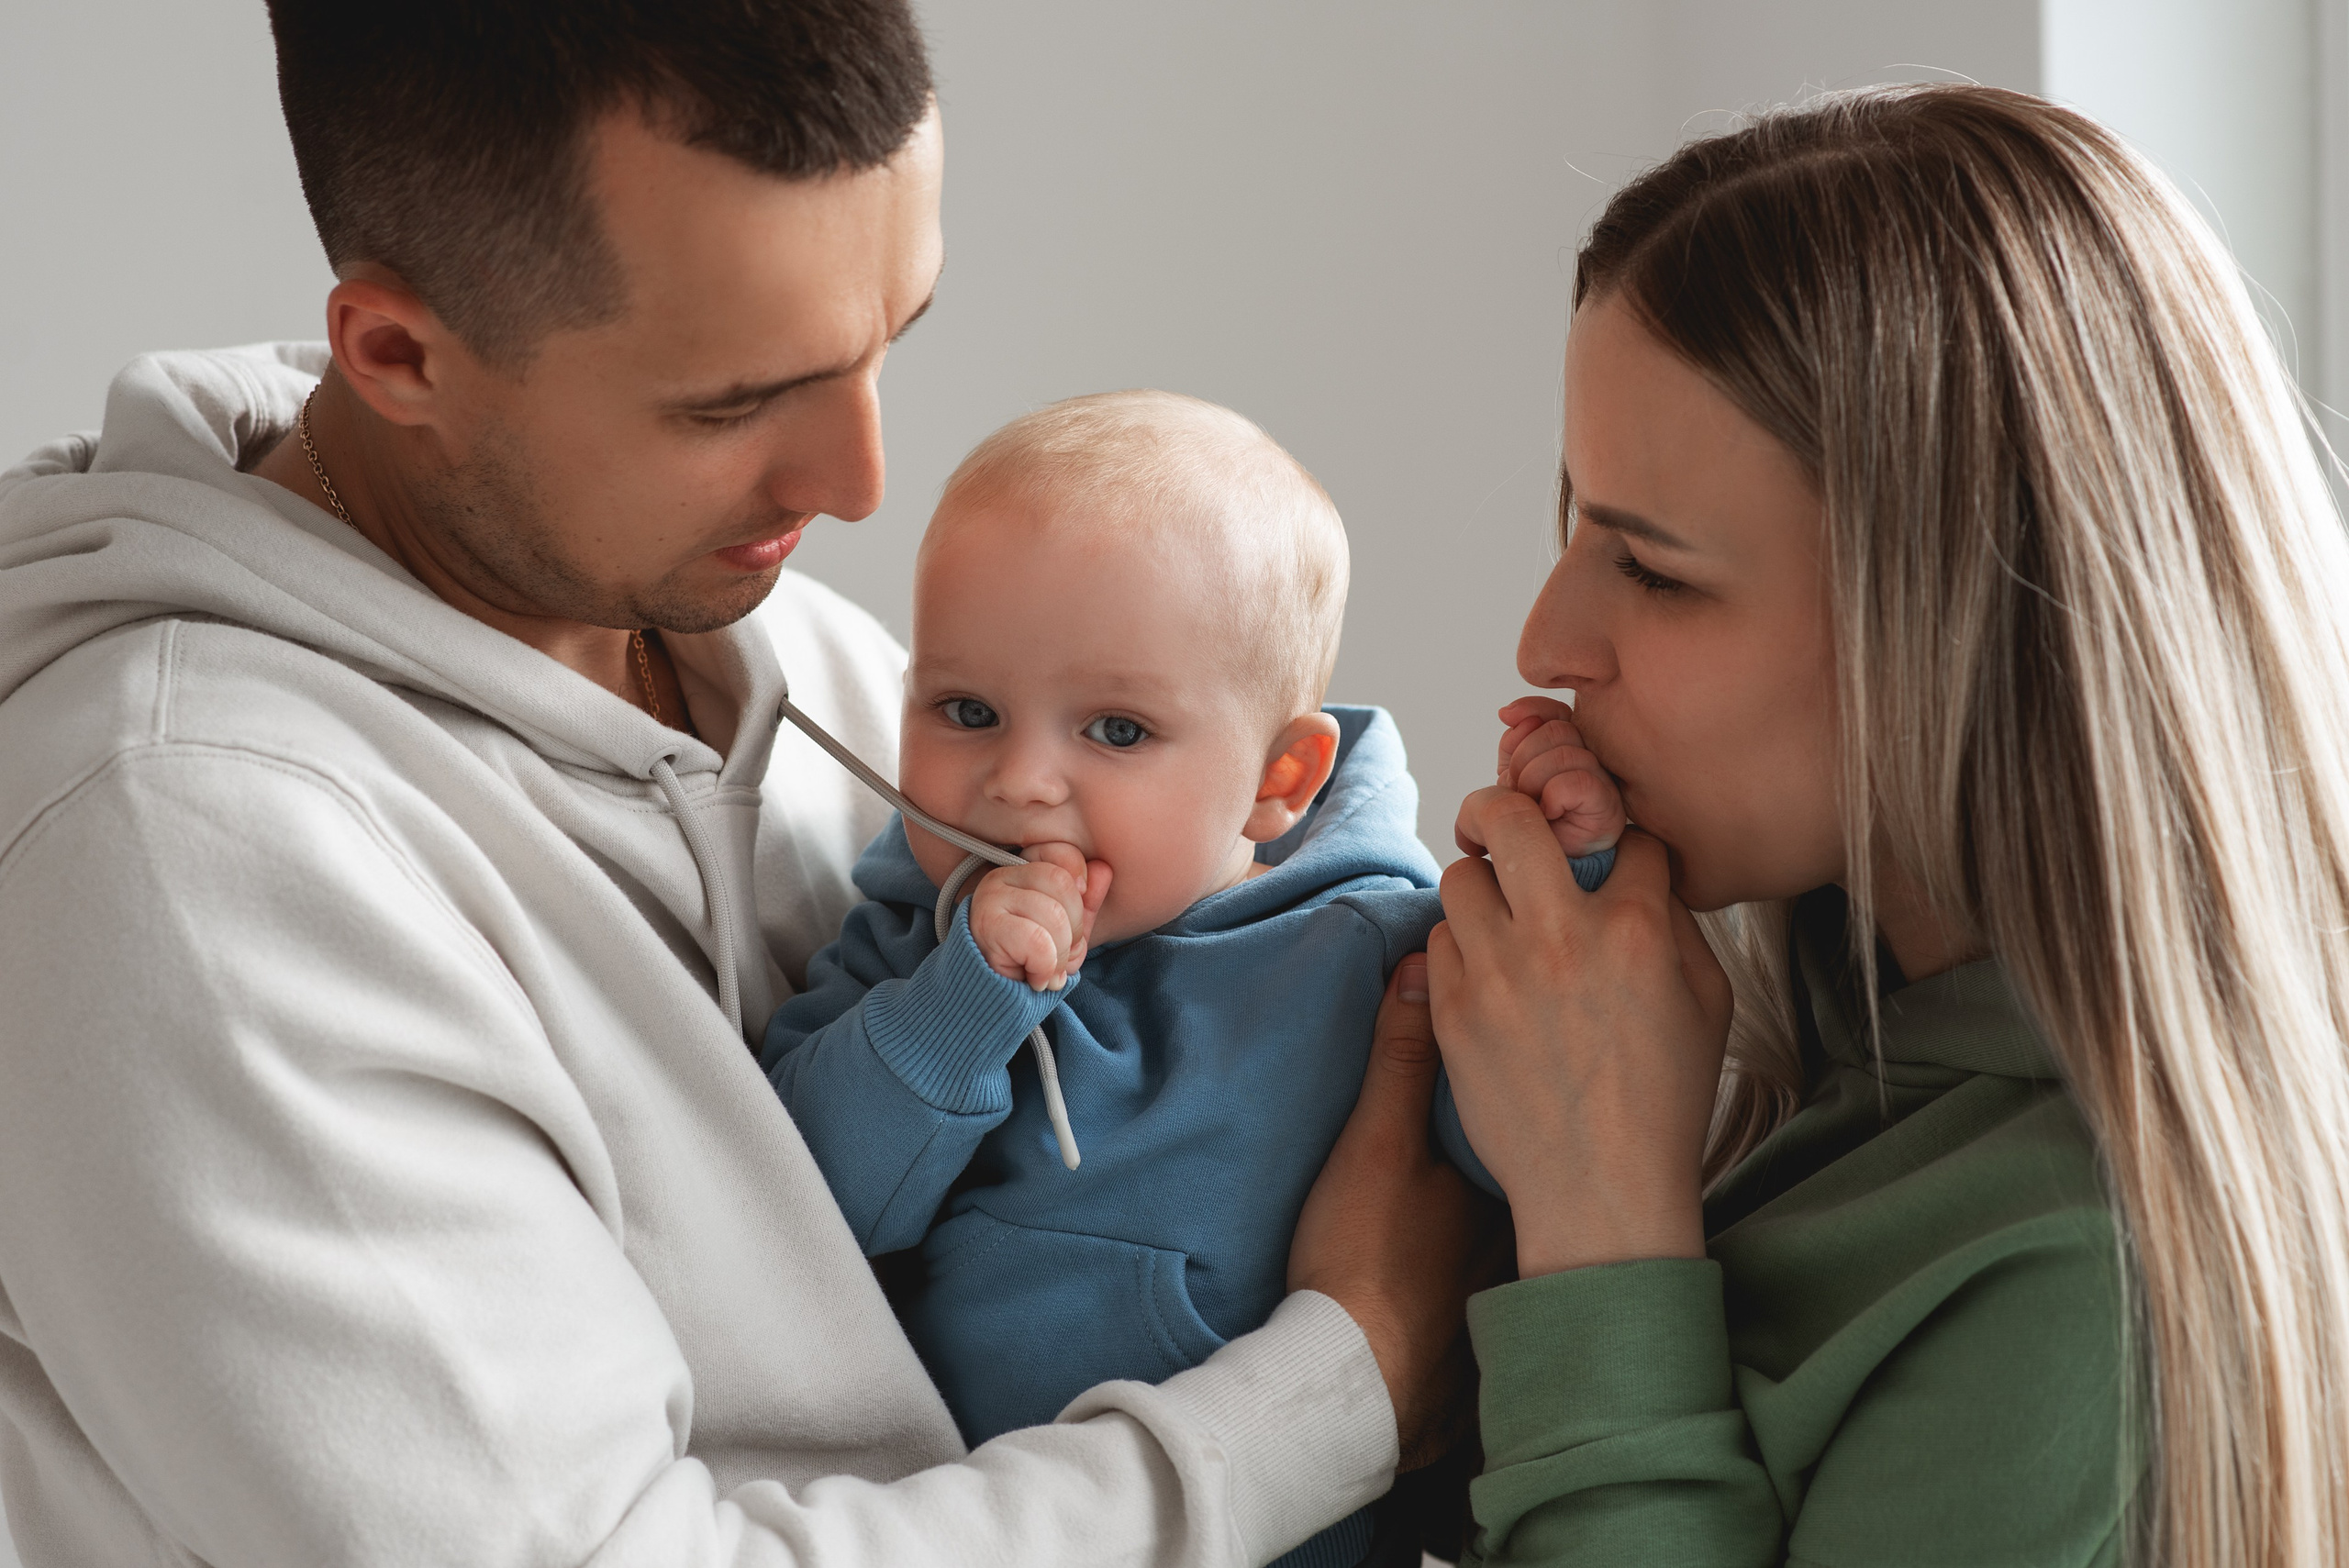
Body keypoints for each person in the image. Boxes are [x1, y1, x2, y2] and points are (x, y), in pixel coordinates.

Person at [0, 7, 1490, 1566]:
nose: (856, 480)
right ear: (399, 355)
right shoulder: (182, 856)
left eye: (886, 340)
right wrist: (1350, 1377)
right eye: (732, 402)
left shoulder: (760, 631)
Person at [1421, 84, 2349, 1566]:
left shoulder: (2083, 1288)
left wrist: (1601, 1212)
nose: (1548, 636)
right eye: (1575, 524)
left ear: (1960, 632)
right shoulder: (1842, 1074)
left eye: (1653, 571)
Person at [758, 391, 1620, 1568]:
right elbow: (789, 1217)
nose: (1019, 782)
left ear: (1281, 776)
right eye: (967, 711)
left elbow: (1527, 1150)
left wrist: (1570, 882)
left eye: (1114, 731)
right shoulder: (908, 942)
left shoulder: (1368, 950)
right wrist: (961, 1002)